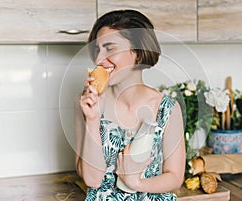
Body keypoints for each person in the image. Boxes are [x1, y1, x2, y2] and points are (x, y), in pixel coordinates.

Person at [74, 9, 185, 200]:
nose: (99, 59)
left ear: (138, 52)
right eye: (97, 49)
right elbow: (92, 180)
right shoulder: (87, 104)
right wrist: (92, 119)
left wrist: (138, 183)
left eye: (110, 49)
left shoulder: (167, 108)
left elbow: (175, 177)